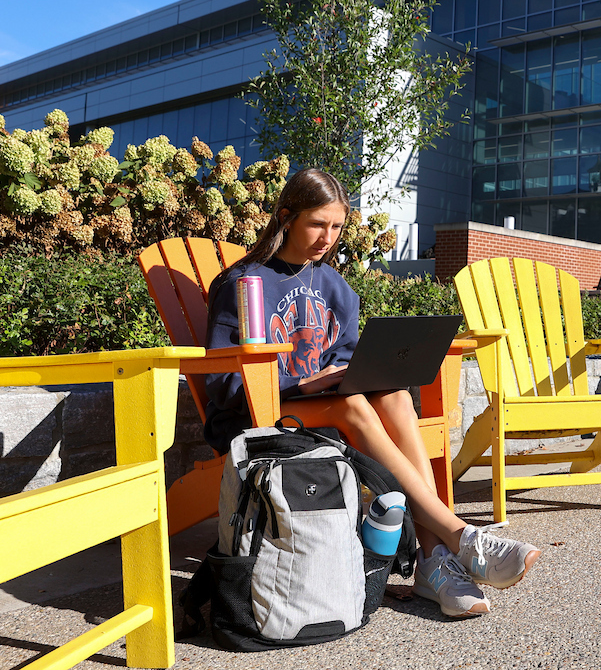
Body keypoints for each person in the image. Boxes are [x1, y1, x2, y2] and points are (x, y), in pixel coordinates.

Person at [204, 168, 540, 619]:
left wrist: (351, 372)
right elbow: (223, 383)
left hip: (325, 404)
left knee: (395, 395)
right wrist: (305, 384)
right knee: (354, 406)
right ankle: (459, 537)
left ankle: (432, 559)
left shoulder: (336, 287)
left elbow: (343, 359)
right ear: (286, 216)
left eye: (337, 227)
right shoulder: (244, 284)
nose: (328, 237)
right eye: (316, 224)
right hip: (259, 412)